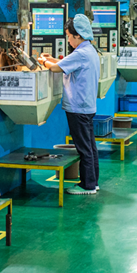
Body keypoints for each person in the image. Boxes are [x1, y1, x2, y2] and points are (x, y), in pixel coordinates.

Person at [39, 14, 101, 195]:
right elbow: (65, 63)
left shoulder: (81, 53)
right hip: (86, 106)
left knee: (84, 148)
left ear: (78, 35)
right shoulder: (89, 50)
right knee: (90, 146)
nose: (68, 40)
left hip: (78, 108)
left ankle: (87, 186)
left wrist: (43, 61)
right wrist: (52, 58)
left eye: (68, 36)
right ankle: (93, 182)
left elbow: (56, 68)